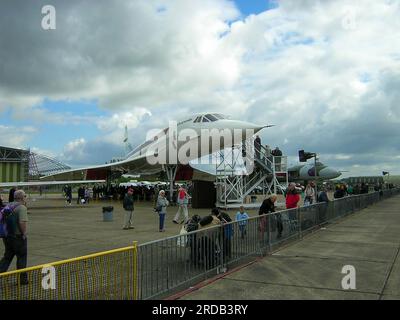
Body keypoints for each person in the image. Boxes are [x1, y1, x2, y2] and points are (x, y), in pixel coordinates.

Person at [0, 189, 29, 284]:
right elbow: (22, 222)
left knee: (7, 257)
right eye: (25, 196)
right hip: (18, 237)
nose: (26, 197)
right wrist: (24, 234)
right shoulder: (22, 208)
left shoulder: (8, 205)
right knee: (22, 257)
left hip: (7, 236)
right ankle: (23, 280)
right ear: (21, 197)